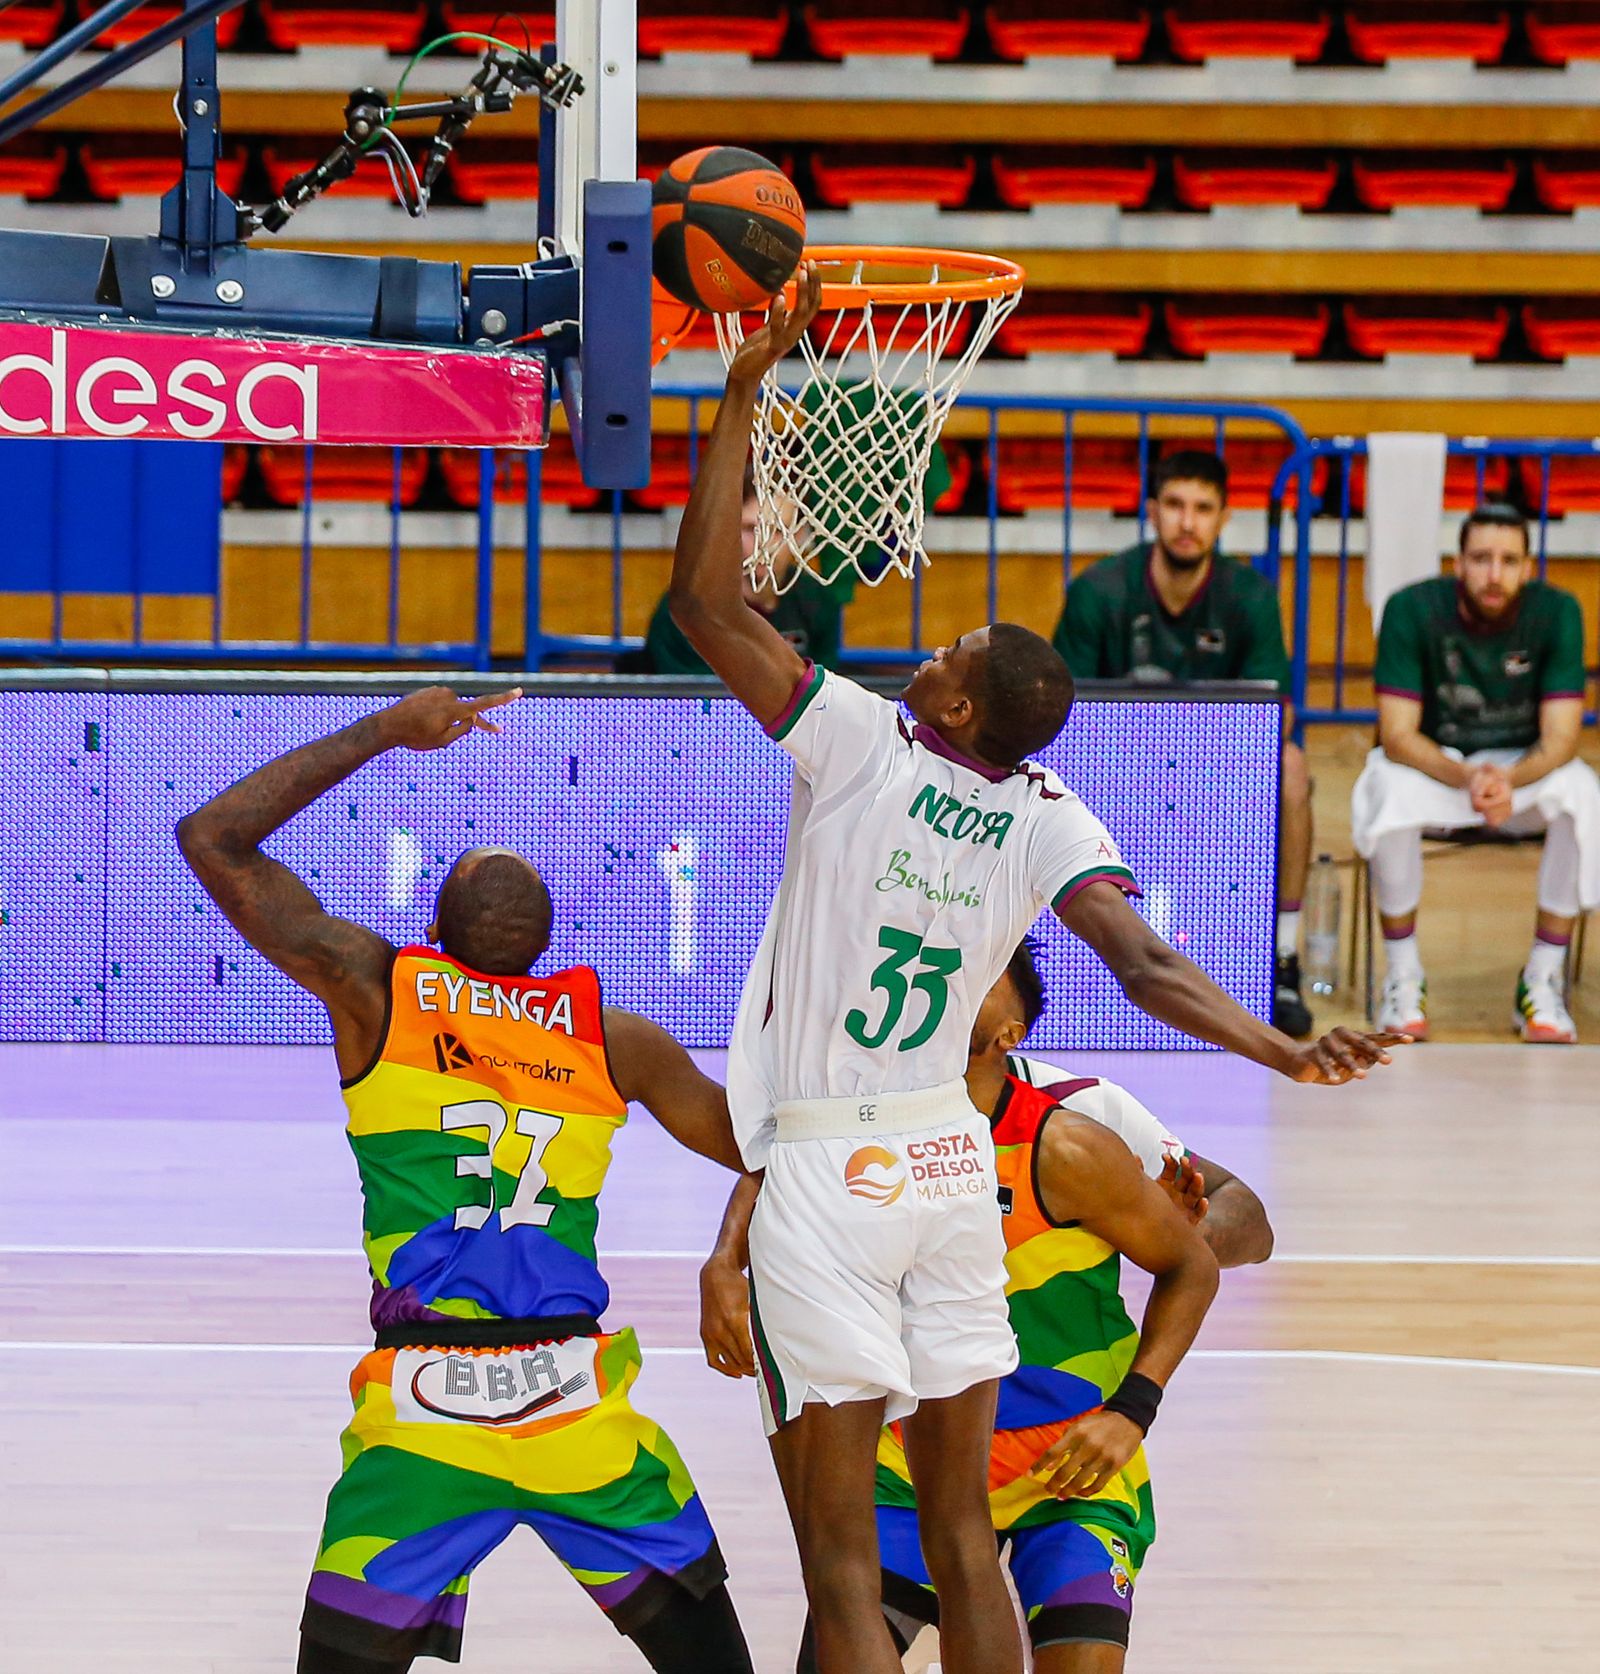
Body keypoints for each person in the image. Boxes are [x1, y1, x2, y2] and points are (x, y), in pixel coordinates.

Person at [667, 266, 1400, 1674]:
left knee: (837, 1562)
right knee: (954, 1535)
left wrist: (746, 389)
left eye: (939, 653)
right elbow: (1145, 965)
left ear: (947, 703)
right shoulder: (1050, 808)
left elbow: (704, 605)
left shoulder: (856, 738)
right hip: (950, 1162)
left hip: (833, 1161)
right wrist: (1282, 1046)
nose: (922, 653)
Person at [175, 686, 756, 1674]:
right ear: (545, 939)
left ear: (437, 929)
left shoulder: (380, 993)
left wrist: (388, 732)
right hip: (581, 1412)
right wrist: (724, 1260)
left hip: (420, 1418)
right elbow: (779, 1153)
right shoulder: (615, 1040)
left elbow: (214, 838)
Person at [701, 941, 1270, 1673]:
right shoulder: (862, 1104)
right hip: (908, 1460)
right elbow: (781, 1158)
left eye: (973, 979)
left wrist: (1161, 1236)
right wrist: (724, 1260)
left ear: (1012, 1028)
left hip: (1066, 1467)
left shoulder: (1080, 1121)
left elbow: (1238, 1225)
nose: (942, 989)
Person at [1051, 450, 1316, 1039]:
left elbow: (1278, 709)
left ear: (1224, 518)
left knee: (1291, 768)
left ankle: (1283, 958)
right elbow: (1061, 710)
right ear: (1152, 512)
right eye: (1174, 505)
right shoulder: (1098, 590)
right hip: (1111, 764)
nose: (1187, 522)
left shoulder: (1249, 595)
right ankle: (1063, 952)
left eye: (1202, 508)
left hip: (1214, 766)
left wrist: (1194, 756)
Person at [1354, 503, 1600, 1043]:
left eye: (1509, 560)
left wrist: (1508, 781)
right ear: (1457, 562)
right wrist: (1467, 778)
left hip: (1521, 772)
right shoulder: (1411, 608)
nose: (1494, 574)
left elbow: (1561, 738)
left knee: (1585, 793)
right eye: (1481, 558)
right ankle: (1403, 976)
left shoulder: (1558, 611)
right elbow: (1397, 735)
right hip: (1440, 766)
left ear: (1528, 567)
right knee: (1384, 788)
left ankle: (1542, 977)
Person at [641, 466, 842, 674]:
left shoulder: (819, 601)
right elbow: (683, 697)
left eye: (777, 531)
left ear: (799, 535)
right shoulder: (686, 608)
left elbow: (822, 698)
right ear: (728, 531)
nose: (764, 546)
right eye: (750, 529)